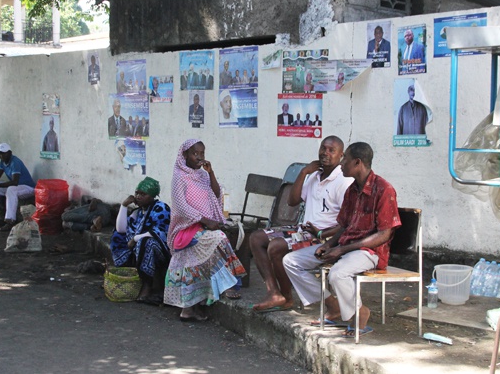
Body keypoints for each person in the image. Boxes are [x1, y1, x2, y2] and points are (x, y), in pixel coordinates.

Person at [283, 142, 401, 337]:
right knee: (292, 261)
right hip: (345, 246)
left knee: (337, 274)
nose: (342, 163)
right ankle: (333, 305)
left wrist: (342, 250)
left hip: (369, 252)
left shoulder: (384, 189)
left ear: (357, 162)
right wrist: (328, 245)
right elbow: (345, 226)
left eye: (345, 159)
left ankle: (360, 313)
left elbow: (384, 235)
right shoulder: (352, 190)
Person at [250, 136, 352, 312]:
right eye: (323, 148)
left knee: (276, 247)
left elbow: (349, 222)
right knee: (256, 238)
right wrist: (304, 172)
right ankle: (274, 293)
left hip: (324, 236)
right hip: (304, 230)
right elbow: (292, 201)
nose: (325, 153)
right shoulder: (313, 175)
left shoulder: (344, 180)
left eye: (331, 150)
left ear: (341, 155)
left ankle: (287, 298)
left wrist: (323, 233)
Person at [164, 139, 246, 321]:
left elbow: (216, 193)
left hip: (202, 227)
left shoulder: (202, 175)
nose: (199, 157)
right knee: (220, 239)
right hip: (186, 228)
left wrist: (211, 173)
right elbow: (181, 207)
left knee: (202, 256)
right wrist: (205, 220)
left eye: (202, 153)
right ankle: (230, 284)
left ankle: (189, 309)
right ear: (184, 155)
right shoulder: (179, 177)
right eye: (195, 154)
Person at [111, 177, 171, 304]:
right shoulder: (137, 212)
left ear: (153, 196)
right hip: (139, 248)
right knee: (117, 235)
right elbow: (121, 229)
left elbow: (160, 232)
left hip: (164, 251)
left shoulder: (161, 208)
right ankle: (130, 277)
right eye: (137, 193)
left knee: (146, 242)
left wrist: (136, 238)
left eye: (143, 194)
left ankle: (147, 285)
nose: (138, 196)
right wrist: (124, 205)